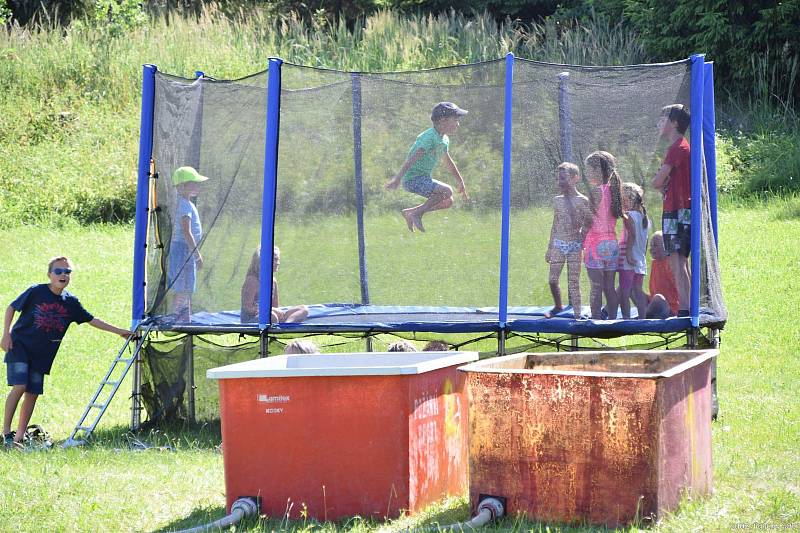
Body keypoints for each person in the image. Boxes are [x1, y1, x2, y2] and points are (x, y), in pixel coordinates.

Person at [2, 257, 131, 447]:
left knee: (32, 393)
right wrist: (6, 334)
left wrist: (120, 331)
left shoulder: (70, 302)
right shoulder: (36, 291)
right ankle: (5, 433)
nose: (63, 275)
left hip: (42, 354)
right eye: (58, 271)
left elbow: (91, 320)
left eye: (67, 272)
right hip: (19, 346)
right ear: (49, 274)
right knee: (20, 386)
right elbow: (11, 308)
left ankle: (19, 437)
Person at [385, 102, 469, 233]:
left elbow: (448, 162)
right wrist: (397, 179)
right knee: (447, 191)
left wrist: (460, 181)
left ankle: (411, 212)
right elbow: (411, 159)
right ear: (443, 121)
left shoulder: (444, 139)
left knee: (448, 201)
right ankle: (417, 214)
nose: (458, 124)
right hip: (412, 180)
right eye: (455, 120)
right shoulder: (429, 138)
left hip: (423, 178)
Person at [651, 104, 691, 316]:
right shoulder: (680, 147)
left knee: (677, 261)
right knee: (680, 260)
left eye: (663, 118)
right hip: (678, 208)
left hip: (678, 210)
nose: (659, 123)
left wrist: (658, 179)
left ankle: (685, 308)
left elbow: (657, 182)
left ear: (674, 123)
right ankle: (687, 305)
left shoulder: (677, 148)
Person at [544, 162, 593, 319]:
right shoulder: (557, 200)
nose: (561, 182)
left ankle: (578, 315)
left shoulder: (583, 200)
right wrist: (550, 247)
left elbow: (590, 221)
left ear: (575, 178)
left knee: (573, 282)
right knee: (552, 280)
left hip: (574, 246)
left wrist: (583, 236)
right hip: (559, 243)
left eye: (564, 178)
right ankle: (558, 306)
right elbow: (555, 223)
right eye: (559, 179)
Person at [582, 151, 624, 320]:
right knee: (609, 287)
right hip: (611, 245)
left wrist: (580, 237)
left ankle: (596, 319)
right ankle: (613, 319)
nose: (587, 173)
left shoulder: (596, 192)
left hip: (595, 245)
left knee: (596, 287)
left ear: (598, 170)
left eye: (589, 170)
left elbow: (588, 220)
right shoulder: (615, 190)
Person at [169, 166, 208, 322]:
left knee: (187, 285)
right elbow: (186, 231)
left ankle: (185, 316)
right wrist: (197, 255)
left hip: (187, 250)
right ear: (182, 186)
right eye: (193, 183)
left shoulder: (187, 204)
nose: (197, 186)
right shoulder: (183, 204)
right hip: (183, 249)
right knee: (182, 284)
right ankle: (178, 315)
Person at [240, 246, 308, 324]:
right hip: (252, 319)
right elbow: (248, 308)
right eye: (275, 260)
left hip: (271, 315)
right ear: (264, 260)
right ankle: (279, 326)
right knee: (271, 316)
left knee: (303, 309)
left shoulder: (273, 281)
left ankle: (286, 326)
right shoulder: (252, 280)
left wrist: (274, 311)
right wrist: (269, 311)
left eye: (278, 259)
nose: (278, 263)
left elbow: (275, 307)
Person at [617, 183, 650, 319]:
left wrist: (629, 254)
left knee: (624, 291)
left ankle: (626, 318)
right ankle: (642, 317)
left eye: (622, 201)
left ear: (628, 200)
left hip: (628, 259)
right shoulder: (645, 219)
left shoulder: (629, 215)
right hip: (640, 259)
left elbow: (632, 235)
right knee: (637, 290)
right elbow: (645, 241)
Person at [645, 231, 680, 319]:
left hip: (670, 308)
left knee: (658, 298)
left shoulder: (670, 263)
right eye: (651, 245)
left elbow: (678, 289)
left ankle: (644, 316)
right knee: (631, 288)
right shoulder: (654, 263)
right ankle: (606, 312)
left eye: (655, 245)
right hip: (655, 303)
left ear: (665, 248)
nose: (651, 248)